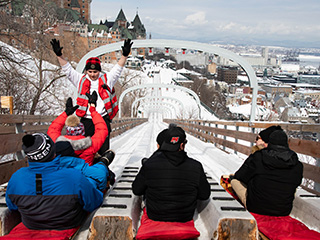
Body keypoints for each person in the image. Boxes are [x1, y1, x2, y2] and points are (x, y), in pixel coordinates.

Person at [50, 38, 133, 159]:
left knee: (103, 148)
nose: (93, 74)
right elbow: (68, 70)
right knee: (87, 150)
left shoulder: (107, 79)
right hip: (86, 120)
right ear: (86, 71)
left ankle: (103, 171)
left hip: (102, 118)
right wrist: (59, 55)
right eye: (90, 71)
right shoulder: (80, 80)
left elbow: (118, 69)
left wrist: (124, 55)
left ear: (99, 71)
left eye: (95, 71)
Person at [5, 133, 103, 230]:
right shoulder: (73, 176)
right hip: (70, 224)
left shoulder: (16, 178)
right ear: (52, 151)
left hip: (31, 224)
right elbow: (94, 202)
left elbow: (12, 205)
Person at [132, 126, 210, 222]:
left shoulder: (150, 164)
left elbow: (136, 190)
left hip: (155, 215)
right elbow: (204, 195)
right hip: (184, 217)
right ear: (182, 145)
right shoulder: (196, 166)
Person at [231, 128, 303, 216]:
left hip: (255, 207)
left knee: (234, 181)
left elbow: (241, 176)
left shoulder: (258, 157)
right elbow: (296, 183)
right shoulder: (297, 164)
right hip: (283, 210)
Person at [47, 93, 114, 166]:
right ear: (82, 130)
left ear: (68, 130)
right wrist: (92, 109)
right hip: (85, 175)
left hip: (64, 175)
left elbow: (53, 129)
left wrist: (66, 113)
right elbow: (102, 129)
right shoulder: (91, 144)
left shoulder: (58, 143)